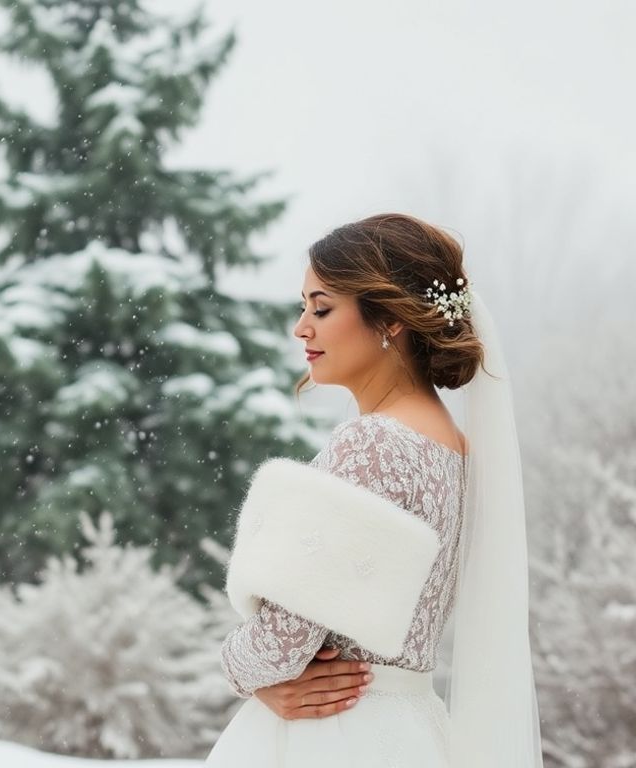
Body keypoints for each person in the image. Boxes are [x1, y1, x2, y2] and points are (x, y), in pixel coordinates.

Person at [205, 213, 544, 767]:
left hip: (335, 734)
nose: (301, 328)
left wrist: (241, 670)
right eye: (303, 307)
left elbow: (281, 642)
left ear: (389, 321)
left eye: (321, 307)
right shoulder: (455, 449)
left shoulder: (373, 445)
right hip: (413, 727)